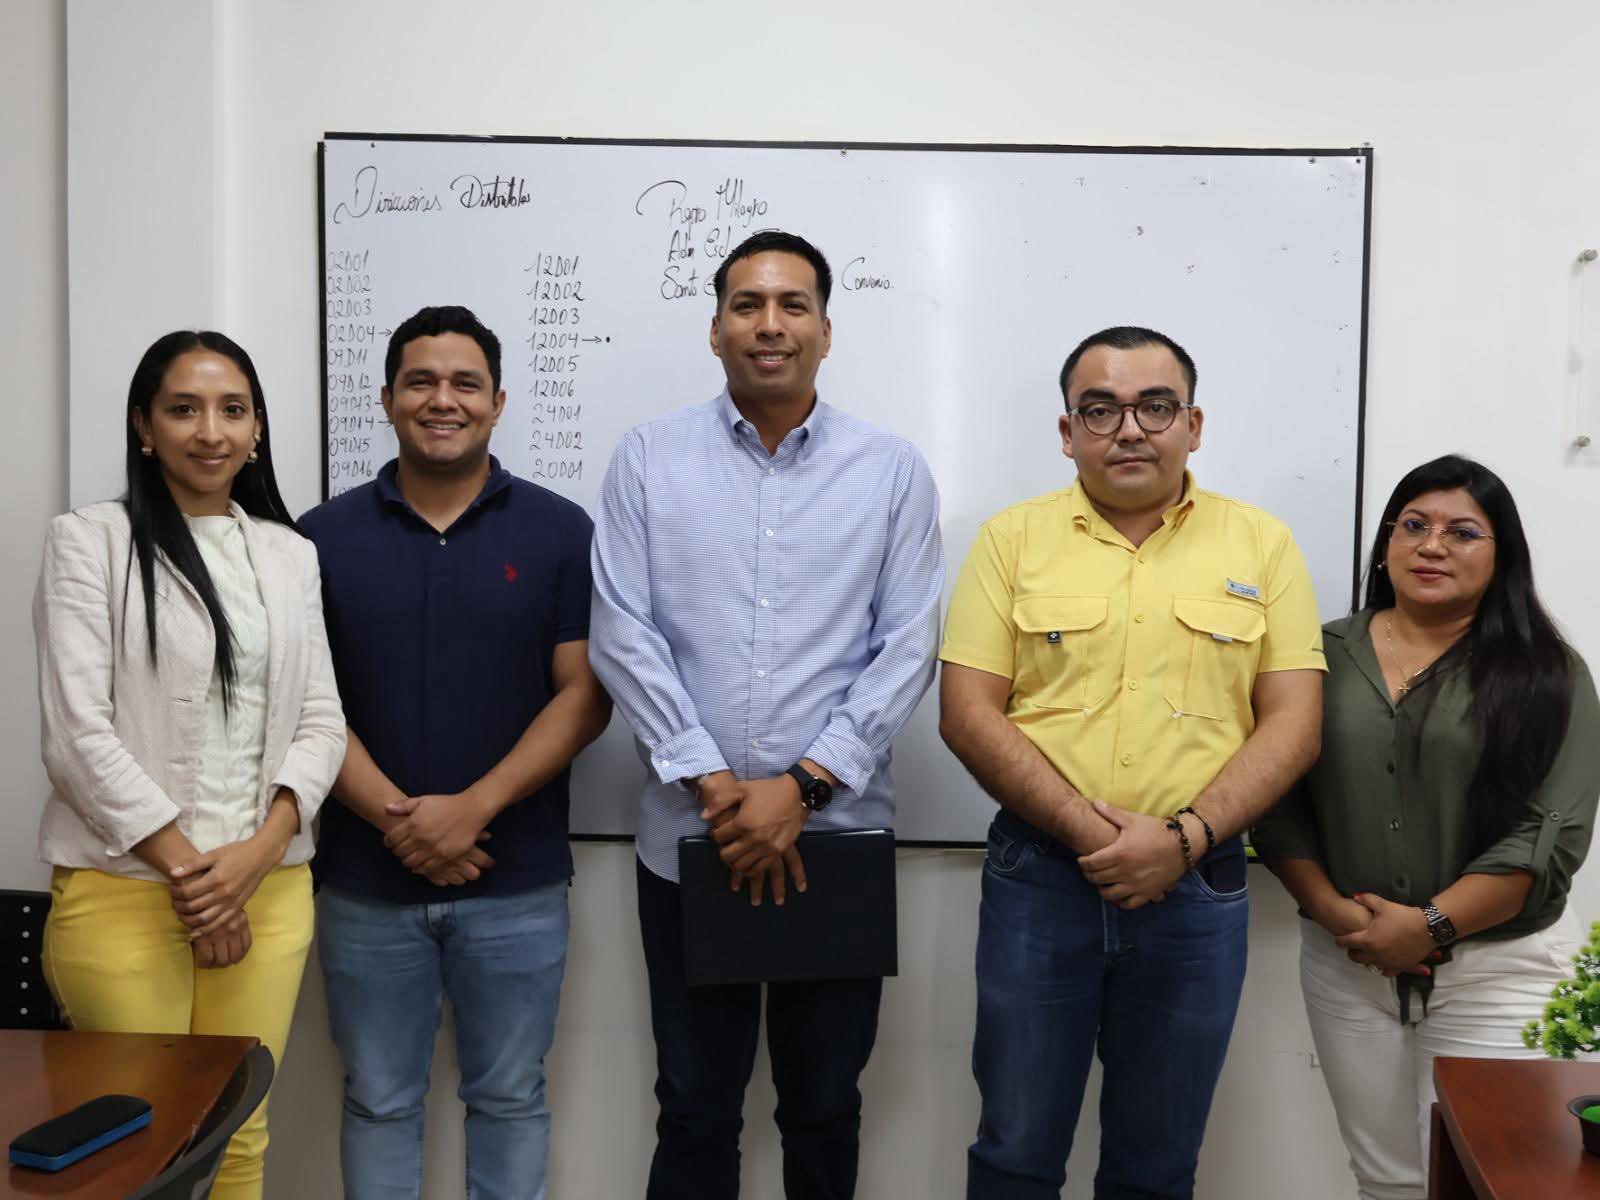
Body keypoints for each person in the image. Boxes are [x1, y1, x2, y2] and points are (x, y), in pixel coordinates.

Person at [589, 229, 944, 1200]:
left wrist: (802, 787)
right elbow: (623, 633)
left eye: (793, 305)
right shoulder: (649, 459)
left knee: (824, 1106)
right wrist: (717, 787)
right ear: (716, 330)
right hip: (689, 844)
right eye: (747, 304)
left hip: (835, 844)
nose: (770, 324)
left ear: (826, 329)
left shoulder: (890, 470)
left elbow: (907, 647)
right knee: (693, 1105)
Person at [938, 325, 1327, 1199]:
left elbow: (1296, 726)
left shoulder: (1262, 545)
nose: (1129, 429)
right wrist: (1095, 835)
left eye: (1155, 407)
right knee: (1014, 1151)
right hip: (1042, 880)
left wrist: (1181, 841)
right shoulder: (1010, 541)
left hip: (1198, 890)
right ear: (1067, 431)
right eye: (1100, 409)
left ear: (1194, 424)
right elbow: (966, 713)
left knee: (1157, 1165)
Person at [300, 304, 610, 1200]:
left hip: (516, 883)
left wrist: (471, 810)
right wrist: (402, 822)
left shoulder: (560, 531)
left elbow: (584, 695)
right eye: (422, 382)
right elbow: (305, 702)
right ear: (387, 399)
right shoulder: (318, 538)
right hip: (364, 883)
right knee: (377, 1101)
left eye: (466, 383)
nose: (444, 400)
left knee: (509, 1098)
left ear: (498, 402)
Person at [34, 331, 345, 1200]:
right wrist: (197, 880)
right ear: (144, 426)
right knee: (135, 1148)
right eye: (183, 409)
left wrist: (255, 857)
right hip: (125, 891)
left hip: (270, 889)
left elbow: (321, 719)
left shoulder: (290, 554)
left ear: (256, 429)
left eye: (232, 410)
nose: (211, 431)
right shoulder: (88, 541)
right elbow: (75, 734)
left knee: (236, 1138)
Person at [1253, 454, 1600, 1200]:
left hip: (1503, 969)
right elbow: (1278, 806)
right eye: (1414, 525)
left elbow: (1552, 834)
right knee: (1386, 1181)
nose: (1432, 545)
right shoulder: (1314, 656)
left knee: (1508, 1180)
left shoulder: (1550, 672)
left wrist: (1429, 926)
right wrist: (1336, 914)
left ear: (1502, 555)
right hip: (1347, 961)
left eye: (1462, 532)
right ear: (1386, 544)